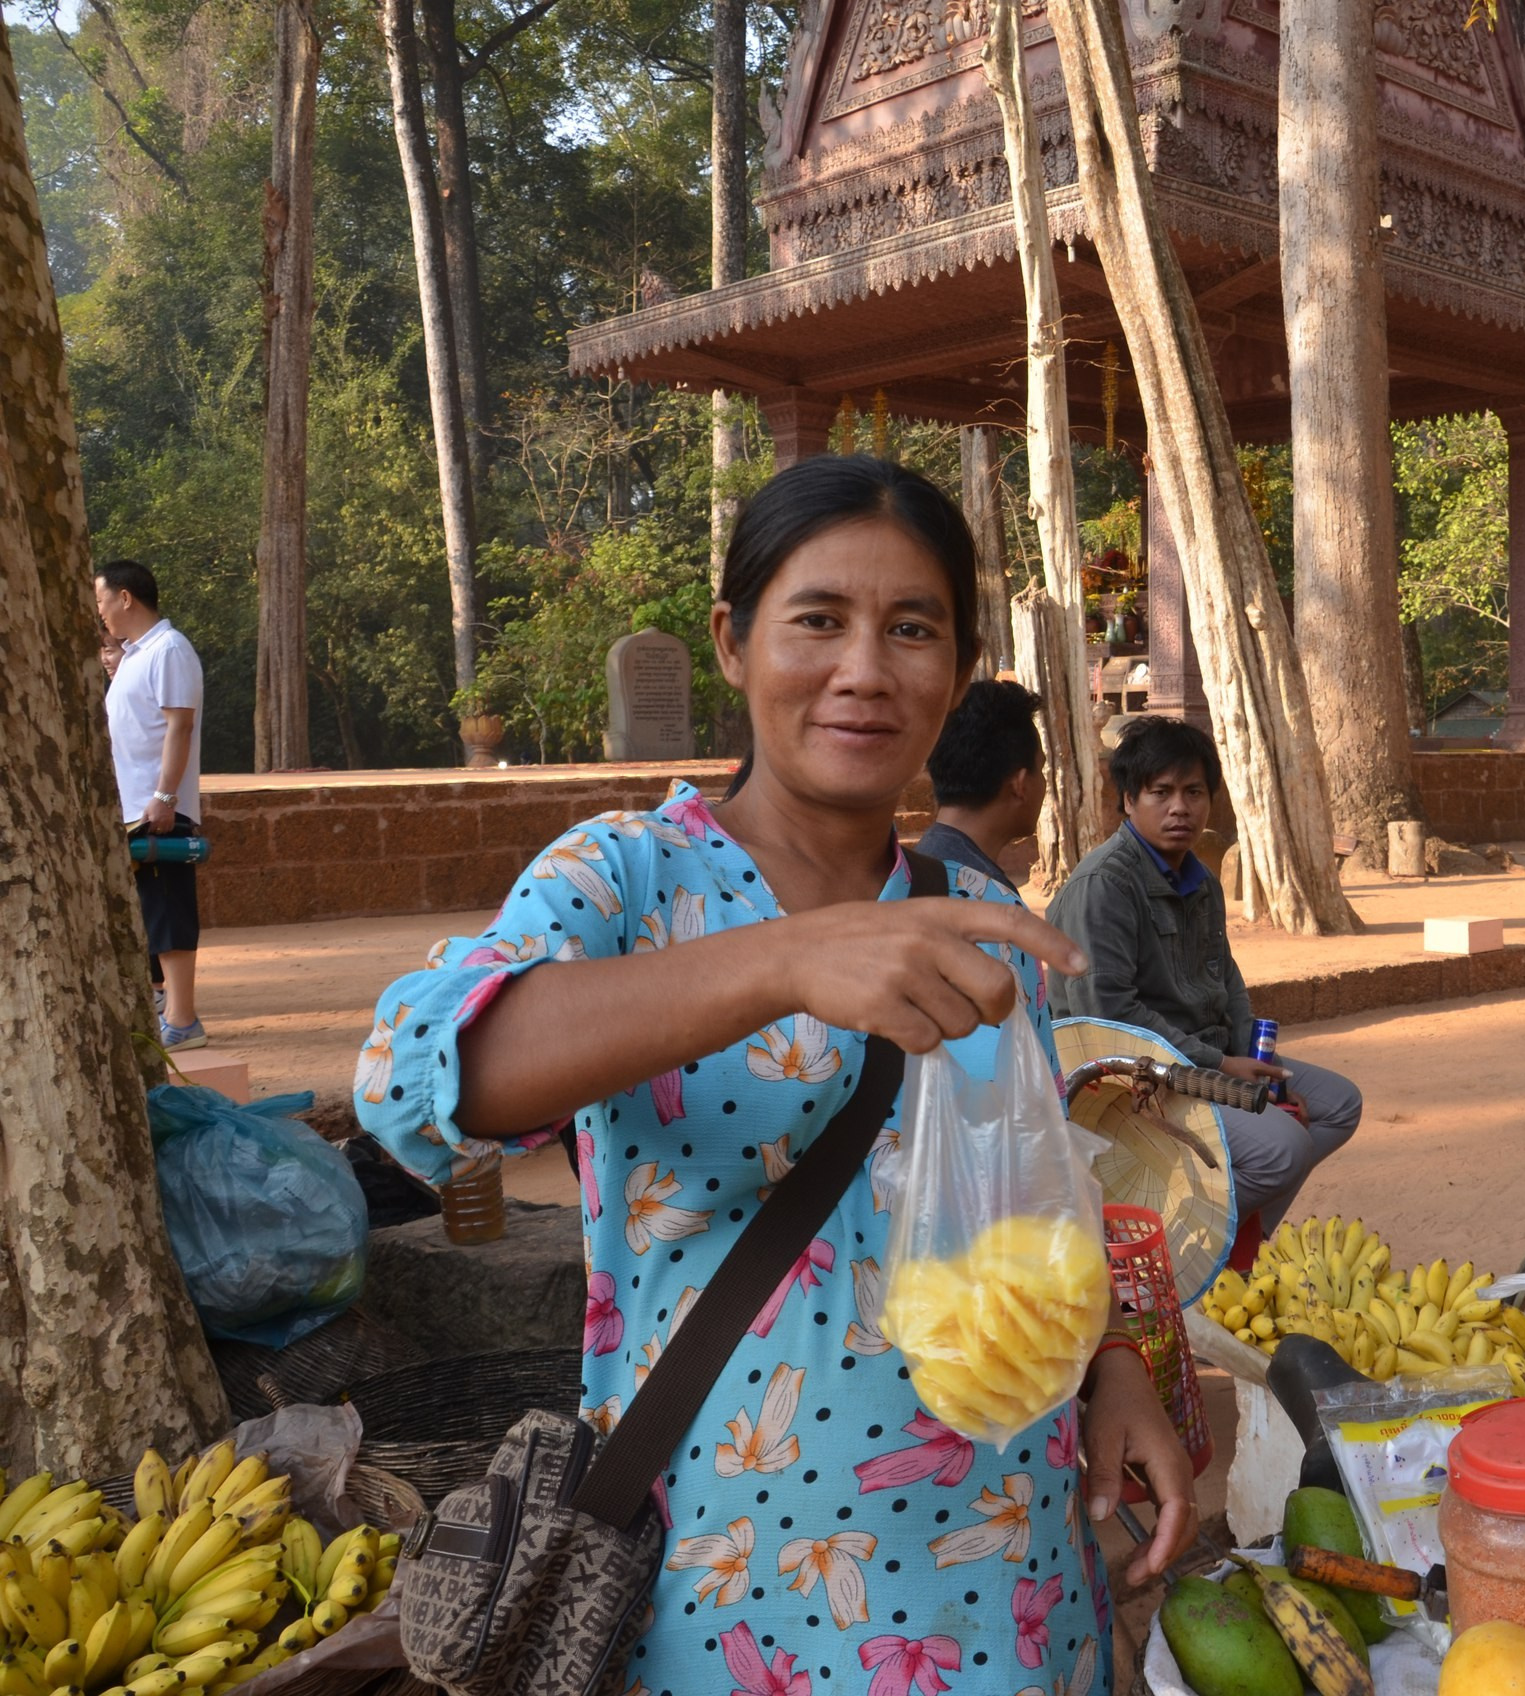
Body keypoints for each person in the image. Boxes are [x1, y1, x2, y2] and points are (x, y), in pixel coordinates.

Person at [350, 456, 1190, 1695]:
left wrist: (1115, 1362)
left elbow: (1034, 1191)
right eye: (819, 620)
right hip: (730, 1580)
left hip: (1004, 1557)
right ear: (735, 643)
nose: (864, 669)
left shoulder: (975, 909)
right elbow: (422, 1077)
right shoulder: (624, 878)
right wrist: (789, 960)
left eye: (912, 629)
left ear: (953, 673)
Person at [1047, 716, 1364, 1237]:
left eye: (1194, 791)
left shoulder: (1200, 879)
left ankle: (1240, 1246)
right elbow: (1110, 1016)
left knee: (1338, 1104)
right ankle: (1177, 1247)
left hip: (1210, 1057)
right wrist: (1221, 1068)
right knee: (1283, 1150)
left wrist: (1258, 1064)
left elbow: (1227, 981)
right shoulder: (1104, 886)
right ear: (1128, 800)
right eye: (1161, 792)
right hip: (1135, 1076)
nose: (1180, 808)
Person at [96, 559, 208, 1051]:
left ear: (125, 598)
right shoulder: (135, 656)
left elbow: (178, 726)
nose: (97, 611)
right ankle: (163, 1005)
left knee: (168, 907)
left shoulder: (169, 649)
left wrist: (164, 797)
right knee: (145, 911)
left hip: (156, 808)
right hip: (132, 810)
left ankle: (183, 1020)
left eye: (100, 600)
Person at [916, 676, 1043, 895]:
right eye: (1041, 769)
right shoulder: (993, 905)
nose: (1043, 782)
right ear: (1020, 785)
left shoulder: (915, 870)